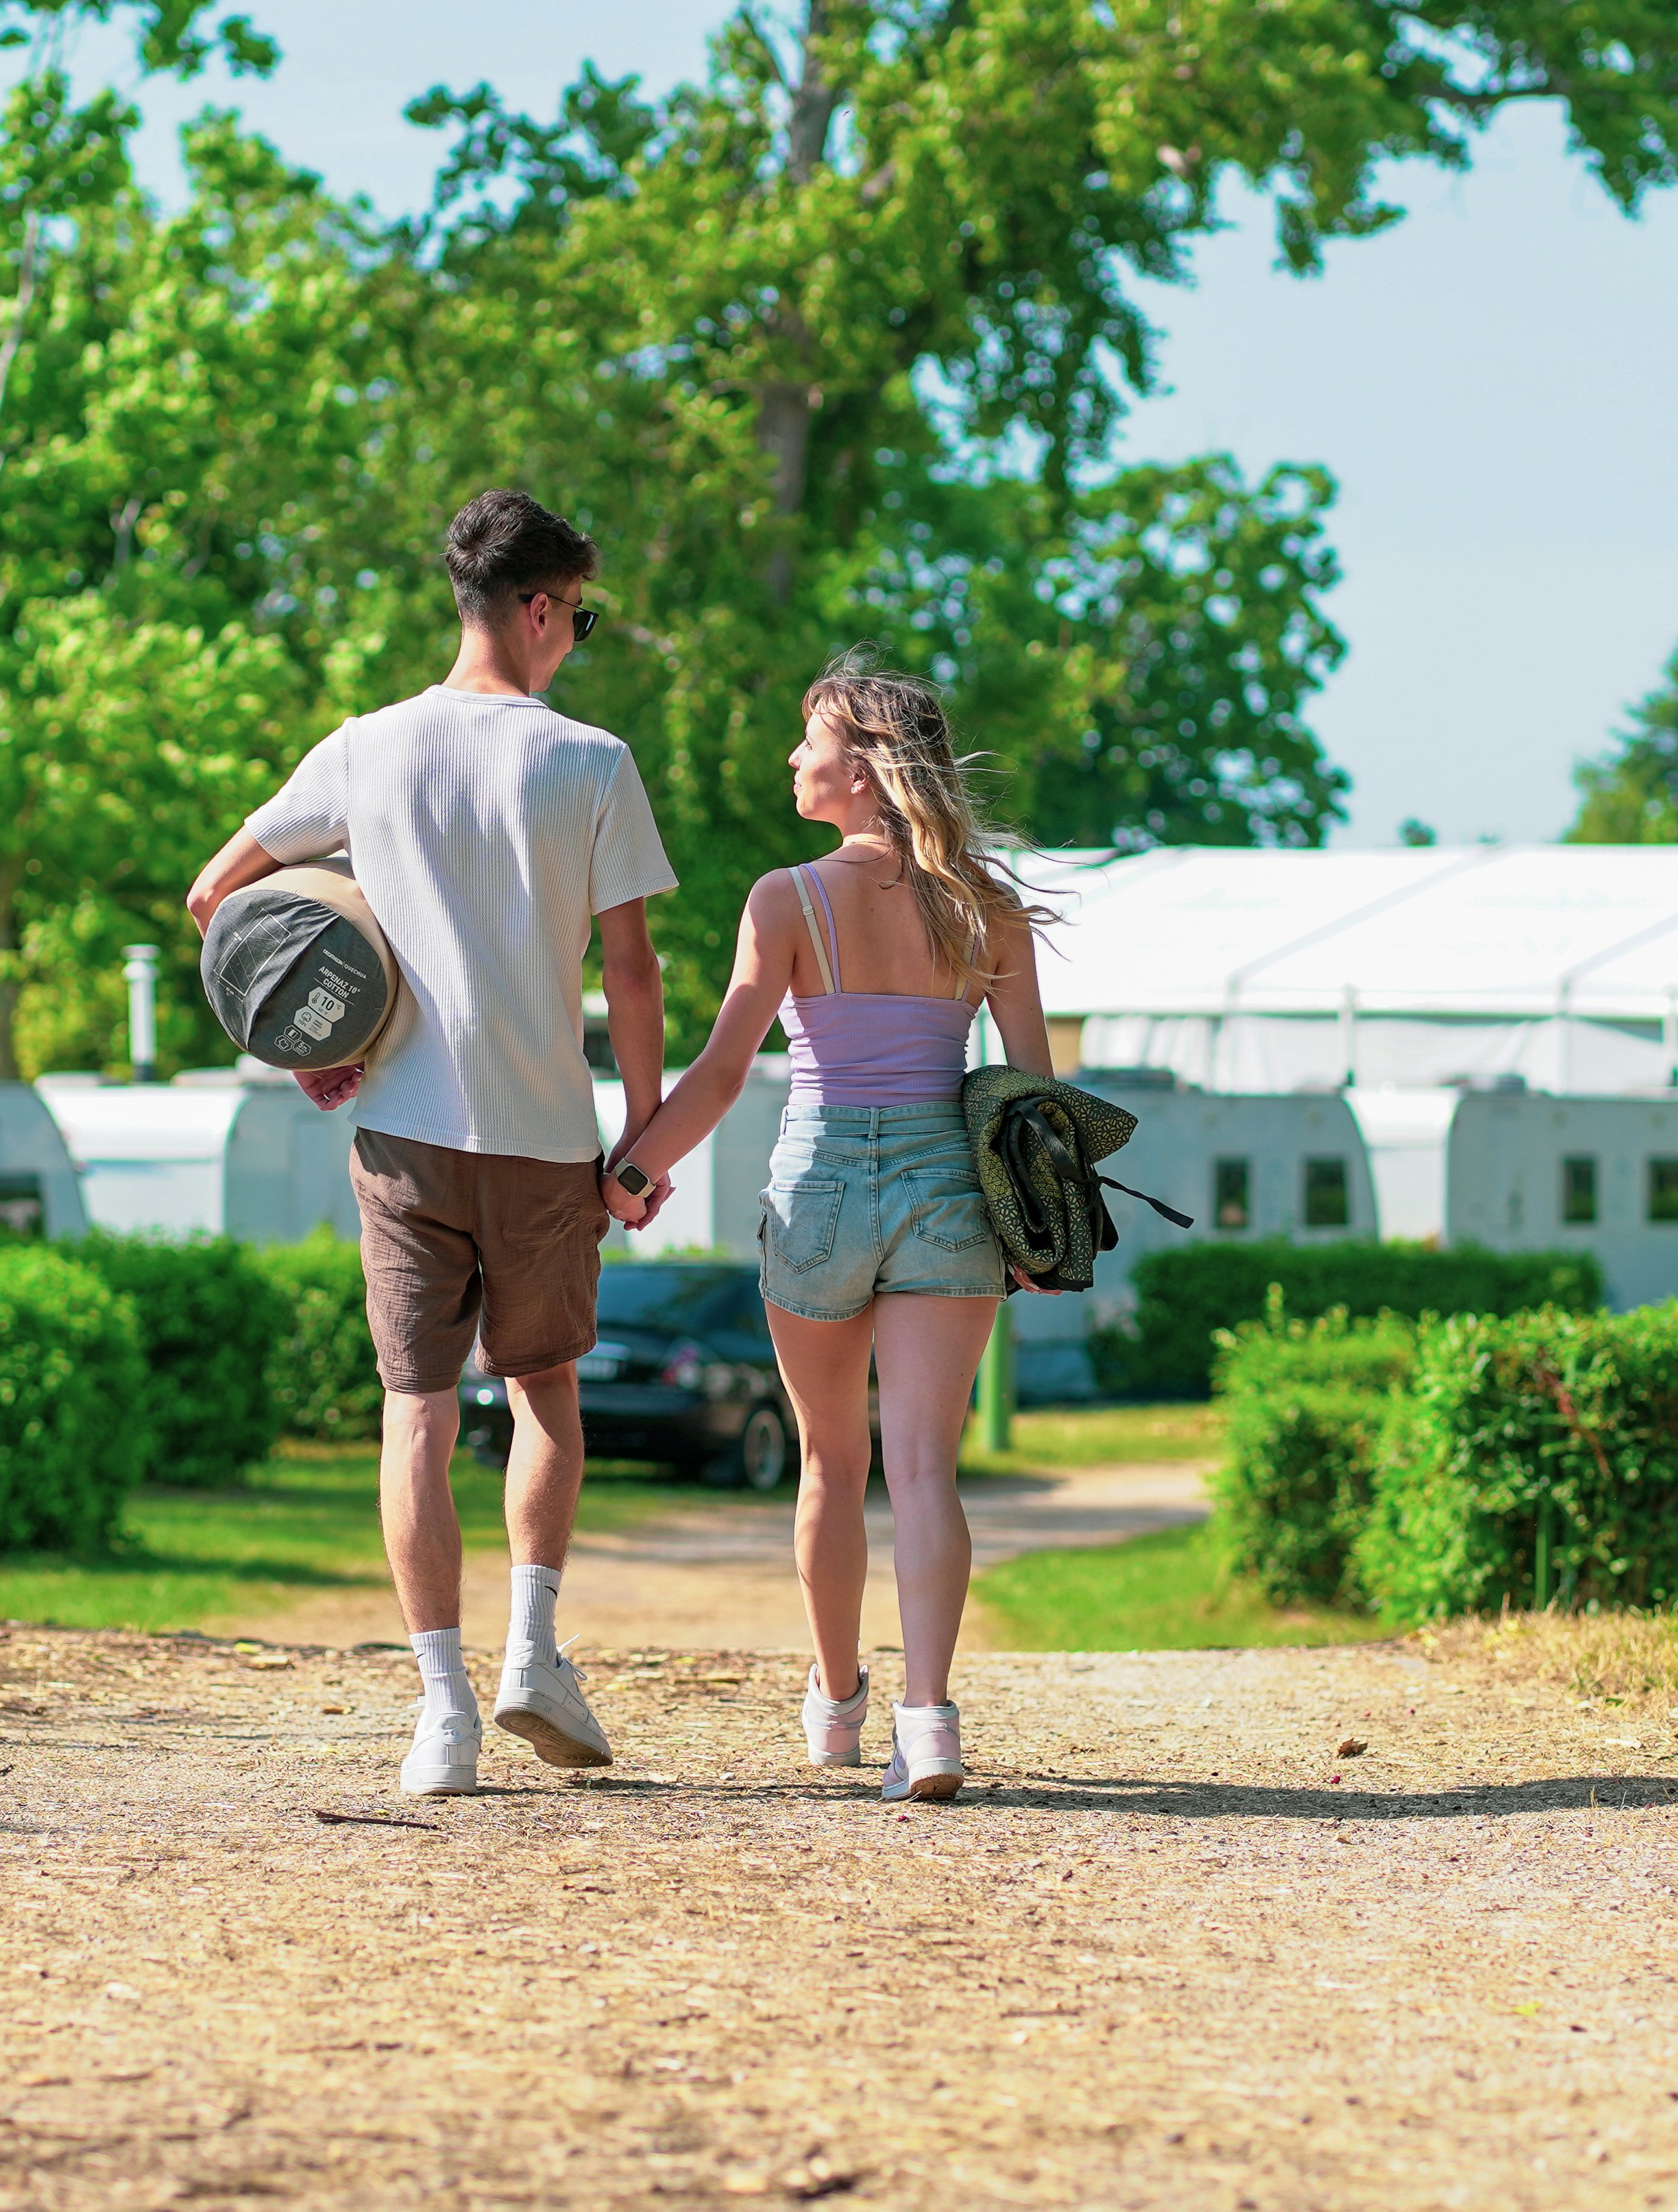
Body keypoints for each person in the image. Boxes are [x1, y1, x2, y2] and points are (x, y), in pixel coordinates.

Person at [185, 489, 676, 1798]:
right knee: (543, 1391)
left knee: (415, 1407)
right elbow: (631, 974)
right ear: (533, 608)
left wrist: (315, 1044)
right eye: (579, 613)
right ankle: (533, 1652)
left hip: (399, 1132)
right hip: (538, 1135)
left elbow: (216, 899)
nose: (578, 635)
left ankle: (442, 1715)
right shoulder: (589, 762)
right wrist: (641, 1126)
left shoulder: (364, 749)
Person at [600, 652, 1056, 1802]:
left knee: (827, 1461)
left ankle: (838, 1700)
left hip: (817, 1192)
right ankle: (931, 1721)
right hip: (949, 1189)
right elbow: (1032, 1092)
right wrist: (1039, 1235)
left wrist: (633, 1168)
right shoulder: (986, 908)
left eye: (808, 740)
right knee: (923, 1473)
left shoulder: (786, 898)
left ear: (860, 765)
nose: (792, 759)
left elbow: (718, 1070)